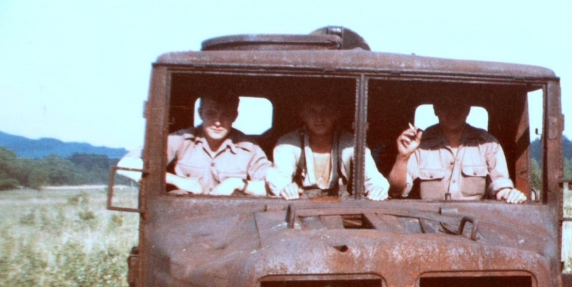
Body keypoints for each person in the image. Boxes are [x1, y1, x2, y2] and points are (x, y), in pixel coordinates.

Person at [117, 93, 271, 195]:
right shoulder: (182, 139)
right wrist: (177, 180)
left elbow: (270, 186)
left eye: (225, 115)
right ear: (200, 113)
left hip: (235, 223)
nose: (218, 122)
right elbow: (126, 165)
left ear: (235, 116)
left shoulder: (249, 147)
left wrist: (236, 183)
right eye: (211, 114)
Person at [388, 96, 527, 203]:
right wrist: (403, 157)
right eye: (445, 106)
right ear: (436, 109)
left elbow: (500, 186)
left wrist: (510, 194)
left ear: (468, 110)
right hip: (426, 222)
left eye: (458, 106)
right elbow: (397, 190)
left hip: (476, 222)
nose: (452, 111)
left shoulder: (488, 144)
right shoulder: (419, 144)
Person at [267, 97, 389, 200]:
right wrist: (286, 188)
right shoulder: (289, 142)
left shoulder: (352, 143)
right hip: (300, 207)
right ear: (303, 115)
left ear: (336, 115)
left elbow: (373, 177)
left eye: (325, 111)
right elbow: (278, 177)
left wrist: (377, 189)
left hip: (341, 207)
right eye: (312, 111)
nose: (319, 118)